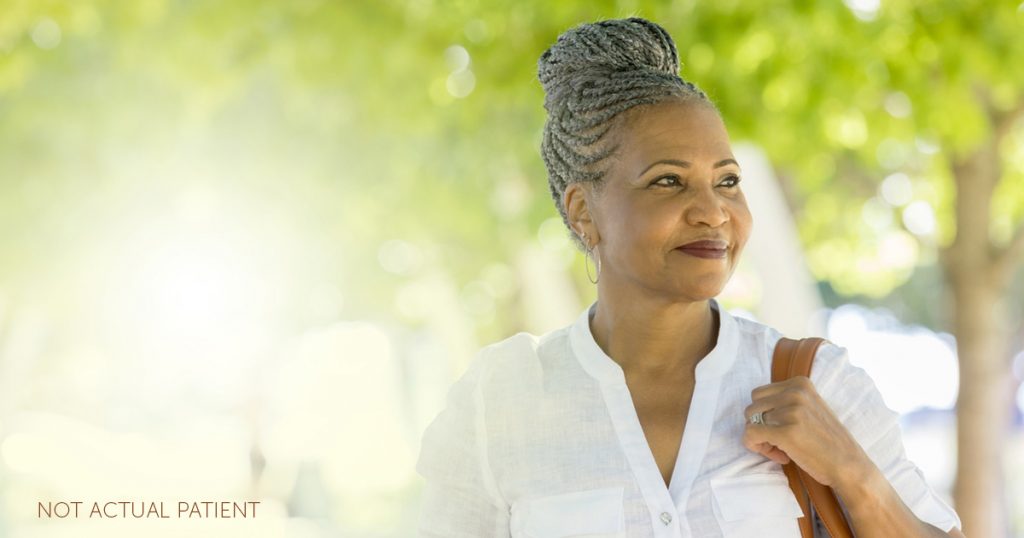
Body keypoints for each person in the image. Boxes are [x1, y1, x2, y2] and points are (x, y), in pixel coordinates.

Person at [415, 17, 965, 538]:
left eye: (727, 181)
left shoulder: (816, 380)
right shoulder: (499, 403)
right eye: (668, 182)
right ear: (584, 211)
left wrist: (853, 474)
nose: (712, 212)